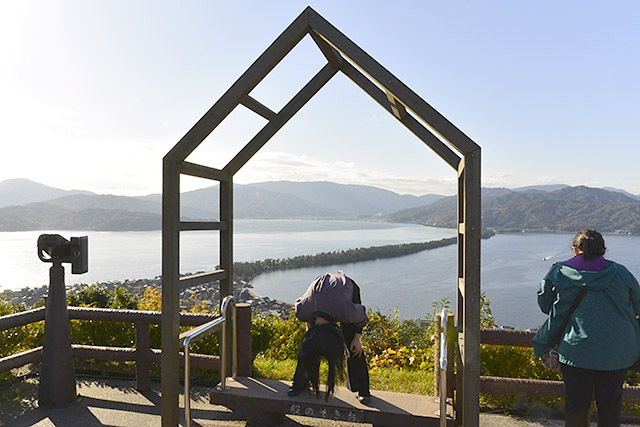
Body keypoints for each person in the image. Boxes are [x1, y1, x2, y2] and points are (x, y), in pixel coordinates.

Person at [533, 229, 640, 426]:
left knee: (577, 406)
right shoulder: (621, 273)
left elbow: (544, 304)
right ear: (604, 251)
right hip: (617, 353)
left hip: (576, 352)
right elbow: (638, 305)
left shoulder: (559, 272)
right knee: (610, 407)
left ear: (575, 250)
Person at [288, 270, 371, 404]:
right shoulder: (305, 309)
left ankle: (363, 391)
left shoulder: (346, 311)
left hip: (345, 289)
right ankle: (299, 384)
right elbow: (301, 309)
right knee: (309, 347)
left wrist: (357, 338)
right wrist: (310, 330)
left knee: (353, 346)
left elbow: (361, 318)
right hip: (320, 294)